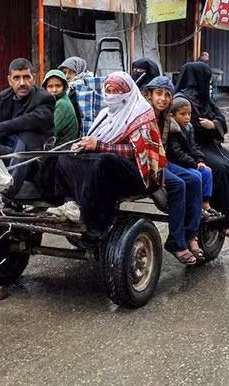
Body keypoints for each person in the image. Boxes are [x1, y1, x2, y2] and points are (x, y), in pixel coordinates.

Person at [49, 72, 166, 239]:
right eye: (108, 91)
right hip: (111, 168)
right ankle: (70, 203)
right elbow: (95, 139)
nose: (111, 96)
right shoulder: (106, 113)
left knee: (103, 161)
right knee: (65, 156)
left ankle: (95, 221)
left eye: (116, 91)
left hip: (139, 174)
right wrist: (82, 145)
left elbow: (139, 152)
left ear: (127, 92)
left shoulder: (140, 113)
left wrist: (99, 146)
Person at [174, 61, 229, 239]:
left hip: (212, 145)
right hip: (193, 147)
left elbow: (221, 119)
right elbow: (191, 126)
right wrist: (210, 125)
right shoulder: (182, 99)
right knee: (221, 168)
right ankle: (225, 223)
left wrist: (213, 124)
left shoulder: (204, 98)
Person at [143, 76, 204, 264]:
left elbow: (164, 147)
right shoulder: (144, 114)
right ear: (150, 95)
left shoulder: (167, 117)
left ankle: (191, 235)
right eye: (158, 94)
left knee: (195, 179)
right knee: (178, 185)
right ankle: (176, 242)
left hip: (161, 161)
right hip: (146, 162)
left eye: (167, 95)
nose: (162, 99)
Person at [0, 58, 55, 198]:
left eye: (26, 77)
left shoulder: (45, 98)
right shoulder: (3, 99)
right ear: (10, 80)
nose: (22, 83)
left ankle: (8, 193)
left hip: (34, 160)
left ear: (33, 78)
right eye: (17, 78)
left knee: (27, 135)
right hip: (8, 155)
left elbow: (31, 120)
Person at [42, 69, 79, 146]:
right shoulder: (52, 101)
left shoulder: (62, 104)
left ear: (64, 87)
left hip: (62, 150)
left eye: (58, 86)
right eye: (50, 86)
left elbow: (49, 131)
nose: (54, 90)